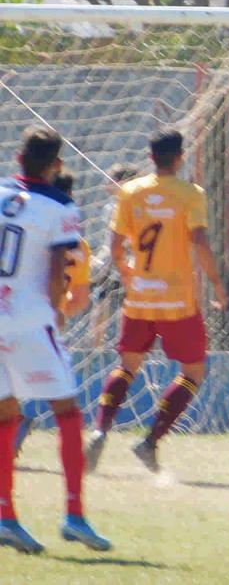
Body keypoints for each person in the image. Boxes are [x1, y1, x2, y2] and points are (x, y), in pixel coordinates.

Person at [85, 129, 227, 474]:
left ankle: (100, 429)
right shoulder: (191, 194)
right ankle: (149, 442)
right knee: (193, 372)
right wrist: (216, 284)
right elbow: (200, 241)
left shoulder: (130, 191)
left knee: (126, 367)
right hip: (177, 300)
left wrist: (126, 272)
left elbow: (115, 245)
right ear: (180, 157)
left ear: (150, 158)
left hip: (140, 297)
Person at [0, 128, 110, 553]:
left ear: (17, 157)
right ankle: (75, 515)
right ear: (57, 165)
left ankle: (6, 515)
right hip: (29, 319)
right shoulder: (61, 206)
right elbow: (55, 269)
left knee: (5, 413)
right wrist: (55, 312)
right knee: (67, 411)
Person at [14, 171, 92, 456]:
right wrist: (58, 311)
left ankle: (15, 424)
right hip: (46, 322)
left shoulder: (28, 227)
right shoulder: (80, 246)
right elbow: (80, 299)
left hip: (13, 310)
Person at [92, 163, 139, 348]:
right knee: (101, 302)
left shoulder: (133, 206)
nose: (106, 184)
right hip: (112, 264)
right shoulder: (111, 206)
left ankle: (130, 346)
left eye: (111, 180)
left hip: (128, 264)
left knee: (130, 308)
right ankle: (95, 347)